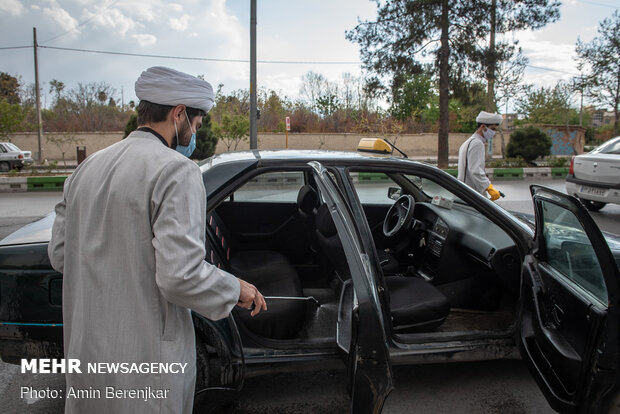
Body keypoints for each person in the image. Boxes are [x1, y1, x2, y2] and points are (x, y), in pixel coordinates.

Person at [48, 66, 267, 414]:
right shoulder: (176, 171)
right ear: (178, 113)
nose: (194, 133)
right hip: (145, 363)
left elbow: (61, 256)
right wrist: (236, 289)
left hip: (89, 357)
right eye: (195, 125)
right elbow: (181, 276)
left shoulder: (85, 170)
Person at [457, 111, 503, 200]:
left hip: (464, 191)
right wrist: (488, 187)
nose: (494, 132)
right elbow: (475, 170)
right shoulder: (477, 143)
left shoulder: (469, 142)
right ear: (483, 127)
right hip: (472, 194)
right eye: (492, 129)